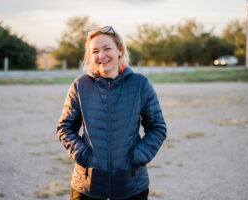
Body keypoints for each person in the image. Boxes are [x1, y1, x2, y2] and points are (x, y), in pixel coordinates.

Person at [56, 26, 167, 200]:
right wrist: (83, 155)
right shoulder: (80, 86)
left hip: (131, 185)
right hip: (86, 186)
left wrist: (138, 157)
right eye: (95, 51)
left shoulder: (140, 84)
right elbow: (65, 127)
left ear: (119, 50)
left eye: (107, 48)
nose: (101, 55)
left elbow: (157, 128)